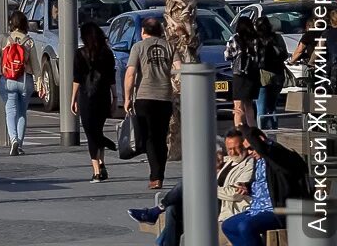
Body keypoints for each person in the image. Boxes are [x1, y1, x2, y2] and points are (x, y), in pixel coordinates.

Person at [128, 129, 255, 245]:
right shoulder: (228, 160)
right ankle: (163, 228)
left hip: (226, 207)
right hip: (210, 202)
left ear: (244, 145)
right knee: (173, 209)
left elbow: (234, 194)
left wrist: (205, 188)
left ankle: (156, 212)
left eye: (237, 148)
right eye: (229, 149)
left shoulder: (249, 164)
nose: (233, 152)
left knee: (190, 183)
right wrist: (213, 168)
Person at [220, 127, 308, 246]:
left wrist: (242, 125)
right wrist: (247, 187)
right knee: (228, 226)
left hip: (278, 210)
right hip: (257, 208)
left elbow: (266, 151)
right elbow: (263, 183)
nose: (250, 152)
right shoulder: (259, 160)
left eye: (251, 148)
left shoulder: (277, 155)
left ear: (261, 140)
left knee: (245, 227)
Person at [124, 17, 174, 189]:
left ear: (143, 31)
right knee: (161, 137)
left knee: (150, 139)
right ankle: (160, 173)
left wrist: (127, 98)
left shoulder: (138, 47)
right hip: (165, 97)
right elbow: (180, 68)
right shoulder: (169, 46)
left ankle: (156, 176)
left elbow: (130, 74)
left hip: (144, 97)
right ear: (160, 30)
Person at [0, 9, 43, 156]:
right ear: (25, 24)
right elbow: (36, 65)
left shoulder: (3, 39)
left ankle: (13, 140)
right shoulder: (29, 41)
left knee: (10, 111)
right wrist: (40, 82)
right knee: (22, 112)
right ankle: (20, 144)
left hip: (7, 80)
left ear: (11, 23)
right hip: (25, 80)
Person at [72, 20, 116, 181]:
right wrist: (115, 97)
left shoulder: (79, 54)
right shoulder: (107, 53)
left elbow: (77, 79)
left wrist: (73, 99)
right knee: (97, 130)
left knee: (91, 134)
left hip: (87, 97)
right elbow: (111, 78)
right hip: (103, 96)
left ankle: (96, 171)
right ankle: (102, 163)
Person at [225, 16, 262, 129]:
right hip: (252, 75)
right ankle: (252, 130)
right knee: (249, 105)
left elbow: (227, 55)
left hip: (239, 75)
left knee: (238, 106)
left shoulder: (235, 38)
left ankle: (239, 130)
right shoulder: (256, 39)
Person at [254, 16, 286, 130]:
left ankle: (261, 132)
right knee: (272, 106)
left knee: (261, 107)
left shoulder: (256, 39)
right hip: (277, 75)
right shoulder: (277, 37)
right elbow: (285, 54)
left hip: (262, 75)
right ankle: (274, 130)